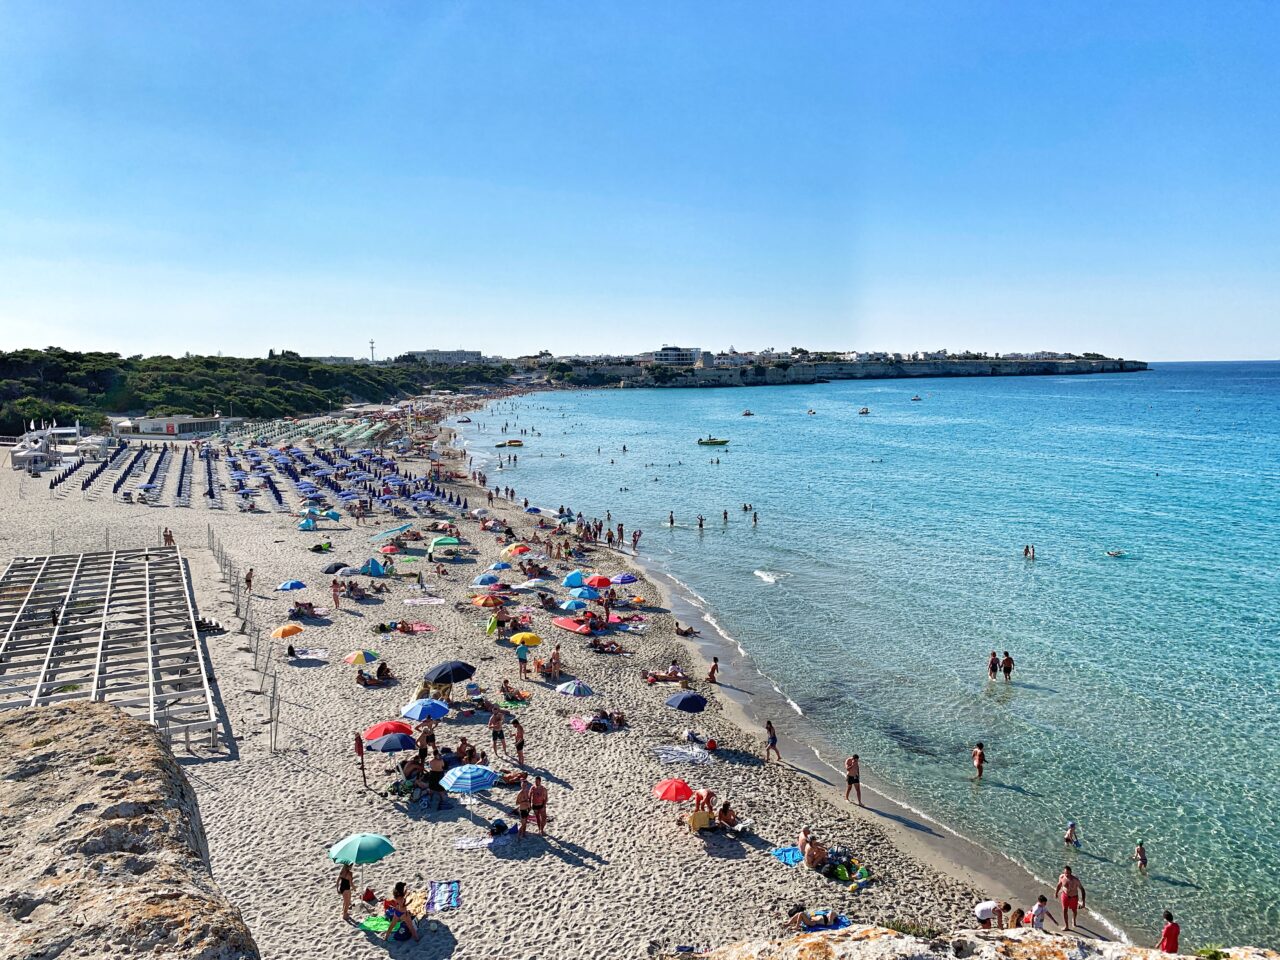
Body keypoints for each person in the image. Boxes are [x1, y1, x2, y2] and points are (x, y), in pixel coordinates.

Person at [1055, 865, 1085, 930]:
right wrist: (1056, 893)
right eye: (1065, 873)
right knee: (1064, 910)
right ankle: (1066, 926)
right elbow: (1059, 885)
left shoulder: (1075, 880)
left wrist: (1083, 902)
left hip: (1074, 897)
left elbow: (1082, 889)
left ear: (1071, 872)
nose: (1067, 874)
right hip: (1065, 895)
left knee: (1074, 910)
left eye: (1068, 873)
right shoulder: (1062, 877)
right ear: (1064, 872)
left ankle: (1074, 920)